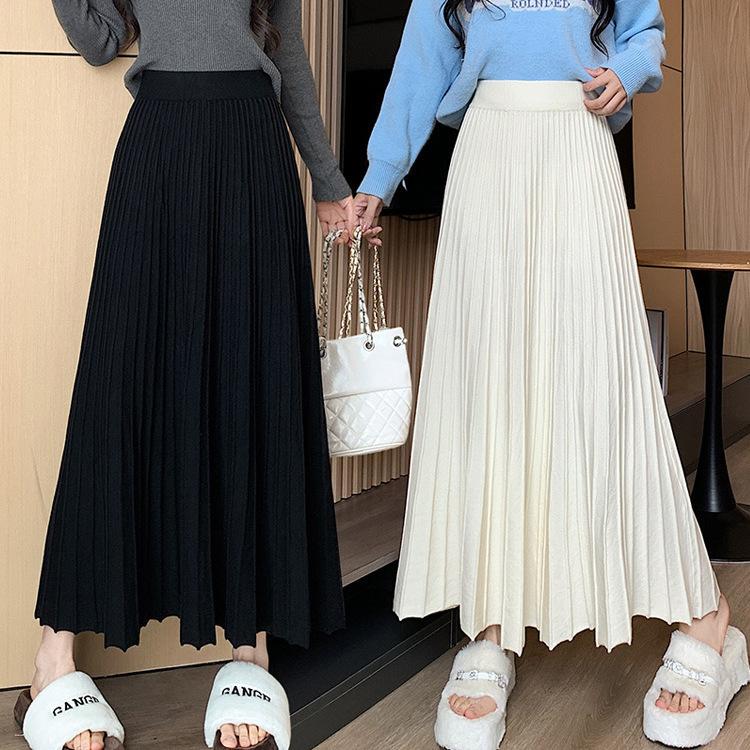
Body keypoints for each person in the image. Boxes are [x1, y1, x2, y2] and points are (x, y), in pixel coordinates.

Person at [354, 1, 749, 748]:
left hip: (578, 150)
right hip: (487, 159)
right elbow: (421, 63)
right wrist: (379, 176)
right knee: (489, 389)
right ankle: (491, 622)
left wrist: (628, 70)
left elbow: (646, 34)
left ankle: (708, 618)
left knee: (608, 386)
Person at [15, 2, 364, 750]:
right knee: (117, 389)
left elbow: (288, 56)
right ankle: (52, 660)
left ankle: (250, 647)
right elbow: (99, 41)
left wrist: (328, 180)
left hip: (253, 147)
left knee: (252, 386)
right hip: (160, 144)